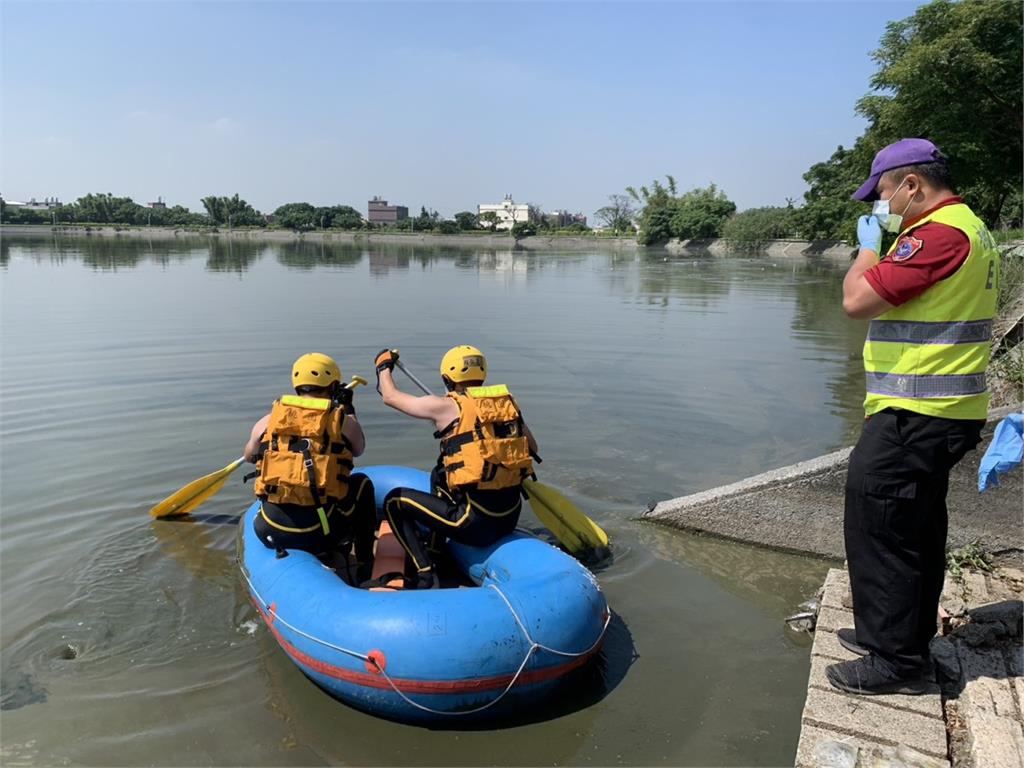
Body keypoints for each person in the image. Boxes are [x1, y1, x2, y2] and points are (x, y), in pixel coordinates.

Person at [827, 138, 1000, 695]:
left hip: (917, 412)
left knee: (882, 527)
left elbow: (857, 302)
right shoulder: (970, 228)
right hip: (938, 410)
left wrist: (868, 251)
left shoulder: (939, 234)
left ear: (912, 185)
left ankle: (897, 663)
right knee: (916, 527)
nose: (879, 206)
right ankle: (901, 637)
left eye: (881, 194)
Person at [372, 346, 537, 589]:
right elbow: (533, 447)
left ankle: (426, 572)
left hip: (474, 525)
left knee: (394, 501)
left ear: (447, 378)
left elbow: (390, 396)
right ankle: (437, 550)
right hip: (509, 518)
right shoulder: (506, 406)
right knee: (440, 474)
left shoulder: (445, 407)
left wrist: (383, 367)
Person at [243, 353, 376, 584]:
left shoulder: (269, 420)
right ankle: (365, 561)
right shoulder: (342, 420)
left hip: (269, 528)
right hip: (318, 532)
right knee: (362, 483)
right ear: (334, 386)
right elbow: (359, 449)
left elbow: (248, 456)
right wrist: (348, 408)